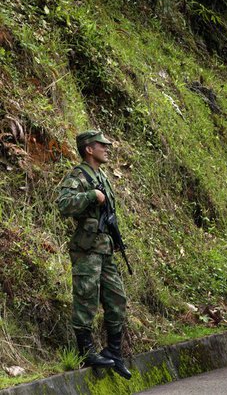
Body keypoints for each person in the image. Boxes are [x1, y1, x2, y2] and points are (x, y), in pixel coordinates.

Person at [56, 130, 131, 379]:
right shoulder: (79, 175)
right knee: (86, 299)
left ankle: (114, 351)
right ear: (89, 149)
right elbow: (63, 203)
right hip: (87, 249)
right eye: (102, 145)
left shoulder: (102, 176)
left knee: (117, 300)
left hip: (104, 248)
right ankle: (86, 351)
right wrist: (90, 195)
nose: (107, 149)